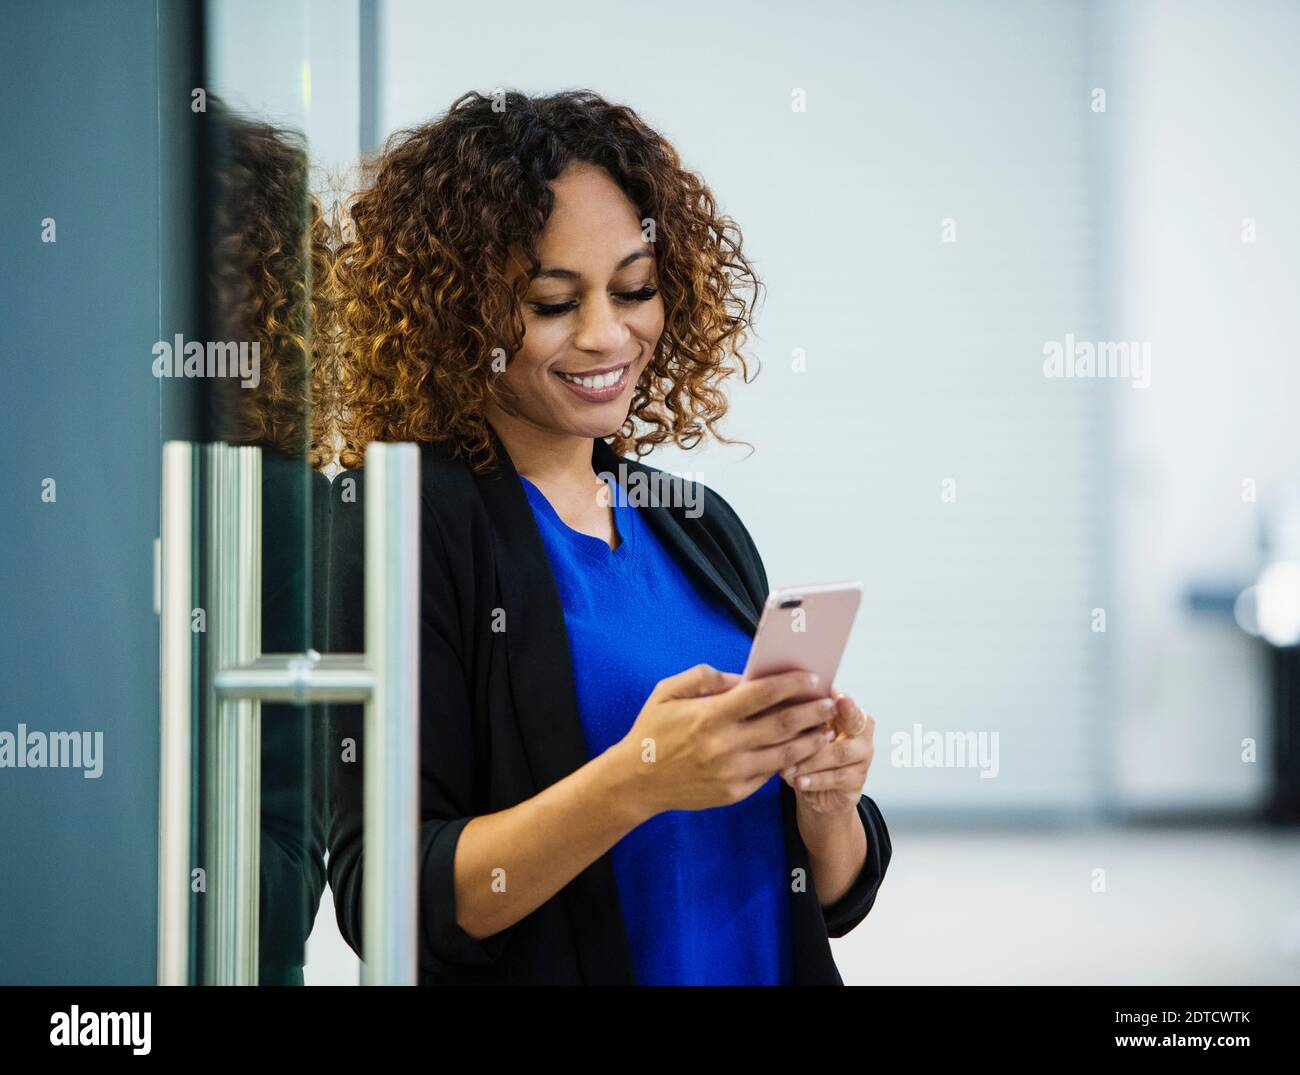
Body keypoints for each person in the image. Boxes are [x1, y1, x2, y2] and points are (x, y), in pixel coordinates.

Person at [324, 89, 891, 985]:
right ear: (458, 315)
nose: (604, 333)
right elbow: (391, 897)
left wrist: (827, 803)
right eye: (552, 301)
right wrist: (636, 779)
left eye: (633, 288)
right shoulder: (402, 519)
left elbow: (830, 894)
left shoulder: (694, 521)